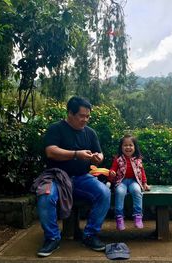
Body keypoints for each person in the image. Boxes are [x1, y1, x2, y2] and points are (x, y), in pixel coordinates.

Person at [35, 96, 111, 257]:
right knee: (45, 196)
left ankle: (90, 235)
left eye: (87, 116)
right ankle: (52, 238)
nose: (85, 120)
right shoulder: (56, 128)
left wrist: (98, 157)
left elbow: (100, 153)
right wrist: (76, 154)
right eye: (81, 116)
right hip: (57, 177)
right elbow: (51, 151)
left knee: (104, 193)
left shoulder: (90, 133)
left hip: (82, 177)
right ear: (70, 113)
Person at [109, 134, 150, 231]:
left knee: (136, 191)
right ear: (121, 147)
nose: (128, 147)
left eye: (131, 145)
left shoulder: (138, 159)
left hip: (133, 182)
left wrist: (144, 183)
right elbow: (112, 169)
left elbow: (142, 172)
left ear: (135, 147)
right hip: (121, 182)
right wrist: (112, 173)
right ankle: (119, 218)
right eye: (125, 145)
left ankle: (138, 216)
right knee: (120, 192)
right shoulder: (118, 159)